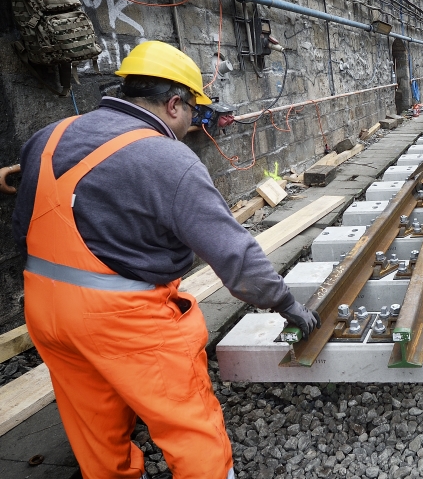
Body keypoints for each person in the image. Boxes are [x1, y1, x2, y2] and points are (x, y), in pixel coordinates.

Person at [12, 40, 319, 479]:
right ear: (174, 102)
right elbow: (233, 253)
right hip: (124, 320)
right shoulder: (168, 158)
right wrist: (286, 304)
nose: (193, 122)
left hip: (45, 310)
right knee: (187, 424)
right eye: (194, 111)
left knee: (94, 430)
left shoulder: (49, 136)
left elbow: (26, 219)